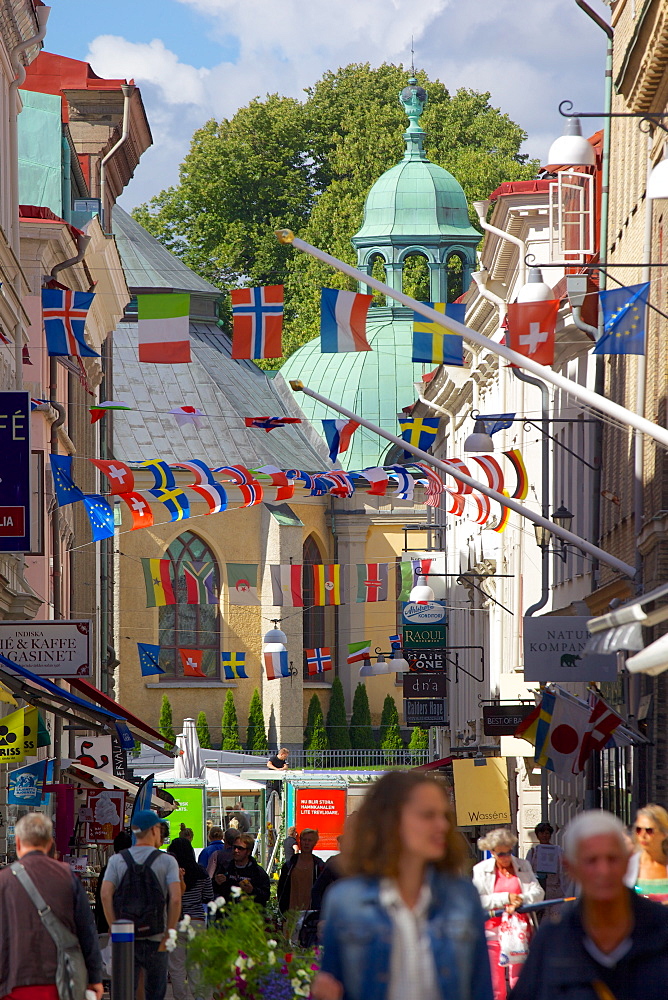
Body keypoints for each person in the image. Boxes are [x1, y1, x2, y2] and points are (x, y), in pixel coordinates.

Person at [311, 770, 493, 1000]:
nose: (442, 826)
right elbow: (334, 985)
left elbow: (481, 989)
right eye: (428, 815)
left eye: (444, 815)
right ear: (391, 822)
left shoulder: (463, 896)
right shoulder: (346, 900)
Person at [510, 810, 668, 999]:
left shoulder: (662, 929)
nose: (604, 871)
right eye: (591, 861)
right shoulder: (552, 942)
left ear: (627, 862)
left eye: (612, 859)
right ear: (571, 868)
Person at [0, 812, 103, 1000]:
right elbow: (86, 929)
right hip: (59, 981)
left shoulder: (4, 880)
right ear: (49, 843)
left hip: (13, 981)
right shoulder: (67, 876)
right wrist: (94, 977)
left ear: (18, 842)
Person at [101, 809, 182, 1000]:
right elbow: (176, 898)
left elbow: (105, 895)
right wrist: (169, 932)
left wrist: (114, 927)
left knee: (125, 993)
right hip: (156, 936)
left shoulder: (117, 860)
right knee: (154, 993)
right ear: (154, 829)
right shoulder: (167, 861)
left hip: (125, 938)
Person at [472, 828, 544, 1000]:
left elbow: (538, 893)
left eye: (508, 852)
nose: (506, 857)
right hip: (492, 932)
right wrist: (506, 899)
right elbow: (477, 900)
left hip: (519, 930)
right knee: (495, 984)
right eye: (501, 854)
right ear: (492, 852)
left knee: (519, 979)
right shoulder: (481, 870)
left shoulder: (522, 866)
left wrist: (520, 899)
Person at [166, 838, 213, 1000]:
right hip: (197, 921)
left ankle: (180, 997)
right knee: (197, 965)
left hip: (175, 921)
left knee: (176, 966)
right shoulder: (201, 872)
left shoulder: (169, 873)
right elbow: (208, 897)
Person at [624, 802, 668, 902]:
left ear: (664, 834)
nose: (642, 835)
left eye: (649, 830)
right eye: (638, 830)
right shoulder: (627, 866)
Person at [277, 828, 325, 915]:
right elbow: (281, 888)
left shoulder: (319, 866)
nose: (306, 843)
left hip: (311, 913)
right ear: (300, 841)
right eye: (304, 840)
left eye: (310, 840)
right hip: (290, 912)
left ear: (314, 843)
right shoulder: (289, 865)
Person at [213, 833, 271, 907]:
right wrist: (217, 882)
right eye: (234, 847)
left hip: (249, 914)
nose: (236, 850)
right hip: (228, 913)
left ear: (248, 852)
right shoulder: (225, 867)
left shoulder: (257, 871)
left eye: (240, 848)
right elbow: (213, 890)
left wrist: (252, 890)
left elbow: (266, 895)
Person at [95, 829, 132, 933]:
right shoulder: (135, 869)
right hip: (129, 922)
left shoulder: (108, 869)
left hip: (107, 922)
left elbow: (101, 896)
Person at [526, 823, 569, 901]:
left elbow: (565, 868)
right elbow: (527, 870)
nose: (544, 836)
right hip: (538, 890)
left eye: (547, 833)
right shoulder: (532, 852)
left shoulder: (558, 851)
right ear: (537, 835)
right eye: (541, 833)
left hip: (555, 891)